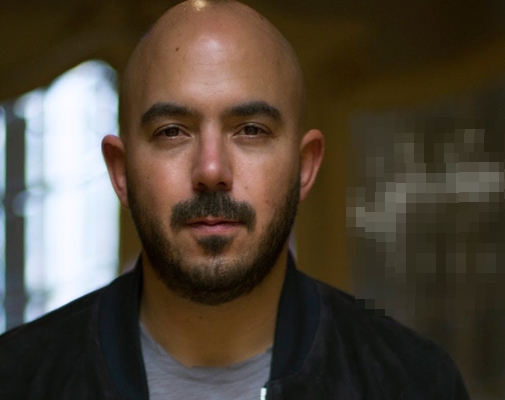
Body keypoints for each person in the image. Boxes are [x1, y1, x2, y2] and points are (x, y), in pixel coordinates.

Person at [0, 1, 470, 398]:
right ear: (121, 172)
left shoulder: (413, 383)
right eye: (172, 131)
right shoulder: (17, 378)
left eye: (250, 130)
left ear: (304, 167)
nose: (211, 171)